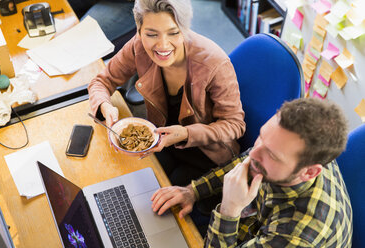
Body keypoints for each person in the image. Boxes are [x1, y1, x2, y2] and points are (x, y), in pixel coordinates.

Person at [151, 98, 353, 247]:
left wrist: (229, 210)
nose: (253, 153)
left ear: (309, 173)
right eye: (262, 136)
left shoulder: (296, 236)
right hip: (255, 223)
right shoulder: (301, 150)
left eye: (273, 155)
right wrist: (192, 191)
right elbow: (249, 158)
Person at [88, 0, 245, 186]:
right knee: (123, 178)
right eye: (151, 34)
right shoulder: (138, 46)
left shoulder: (214, 63)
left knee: (157, 198)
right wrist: (105, 107)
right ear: (138, 31)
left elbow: (235, 125)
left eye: (174, 33)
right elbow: (101, 81)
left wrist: (187, 133)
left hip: (207, 156)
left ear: (185, 29)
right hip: (162, 143)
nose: (163, 45)